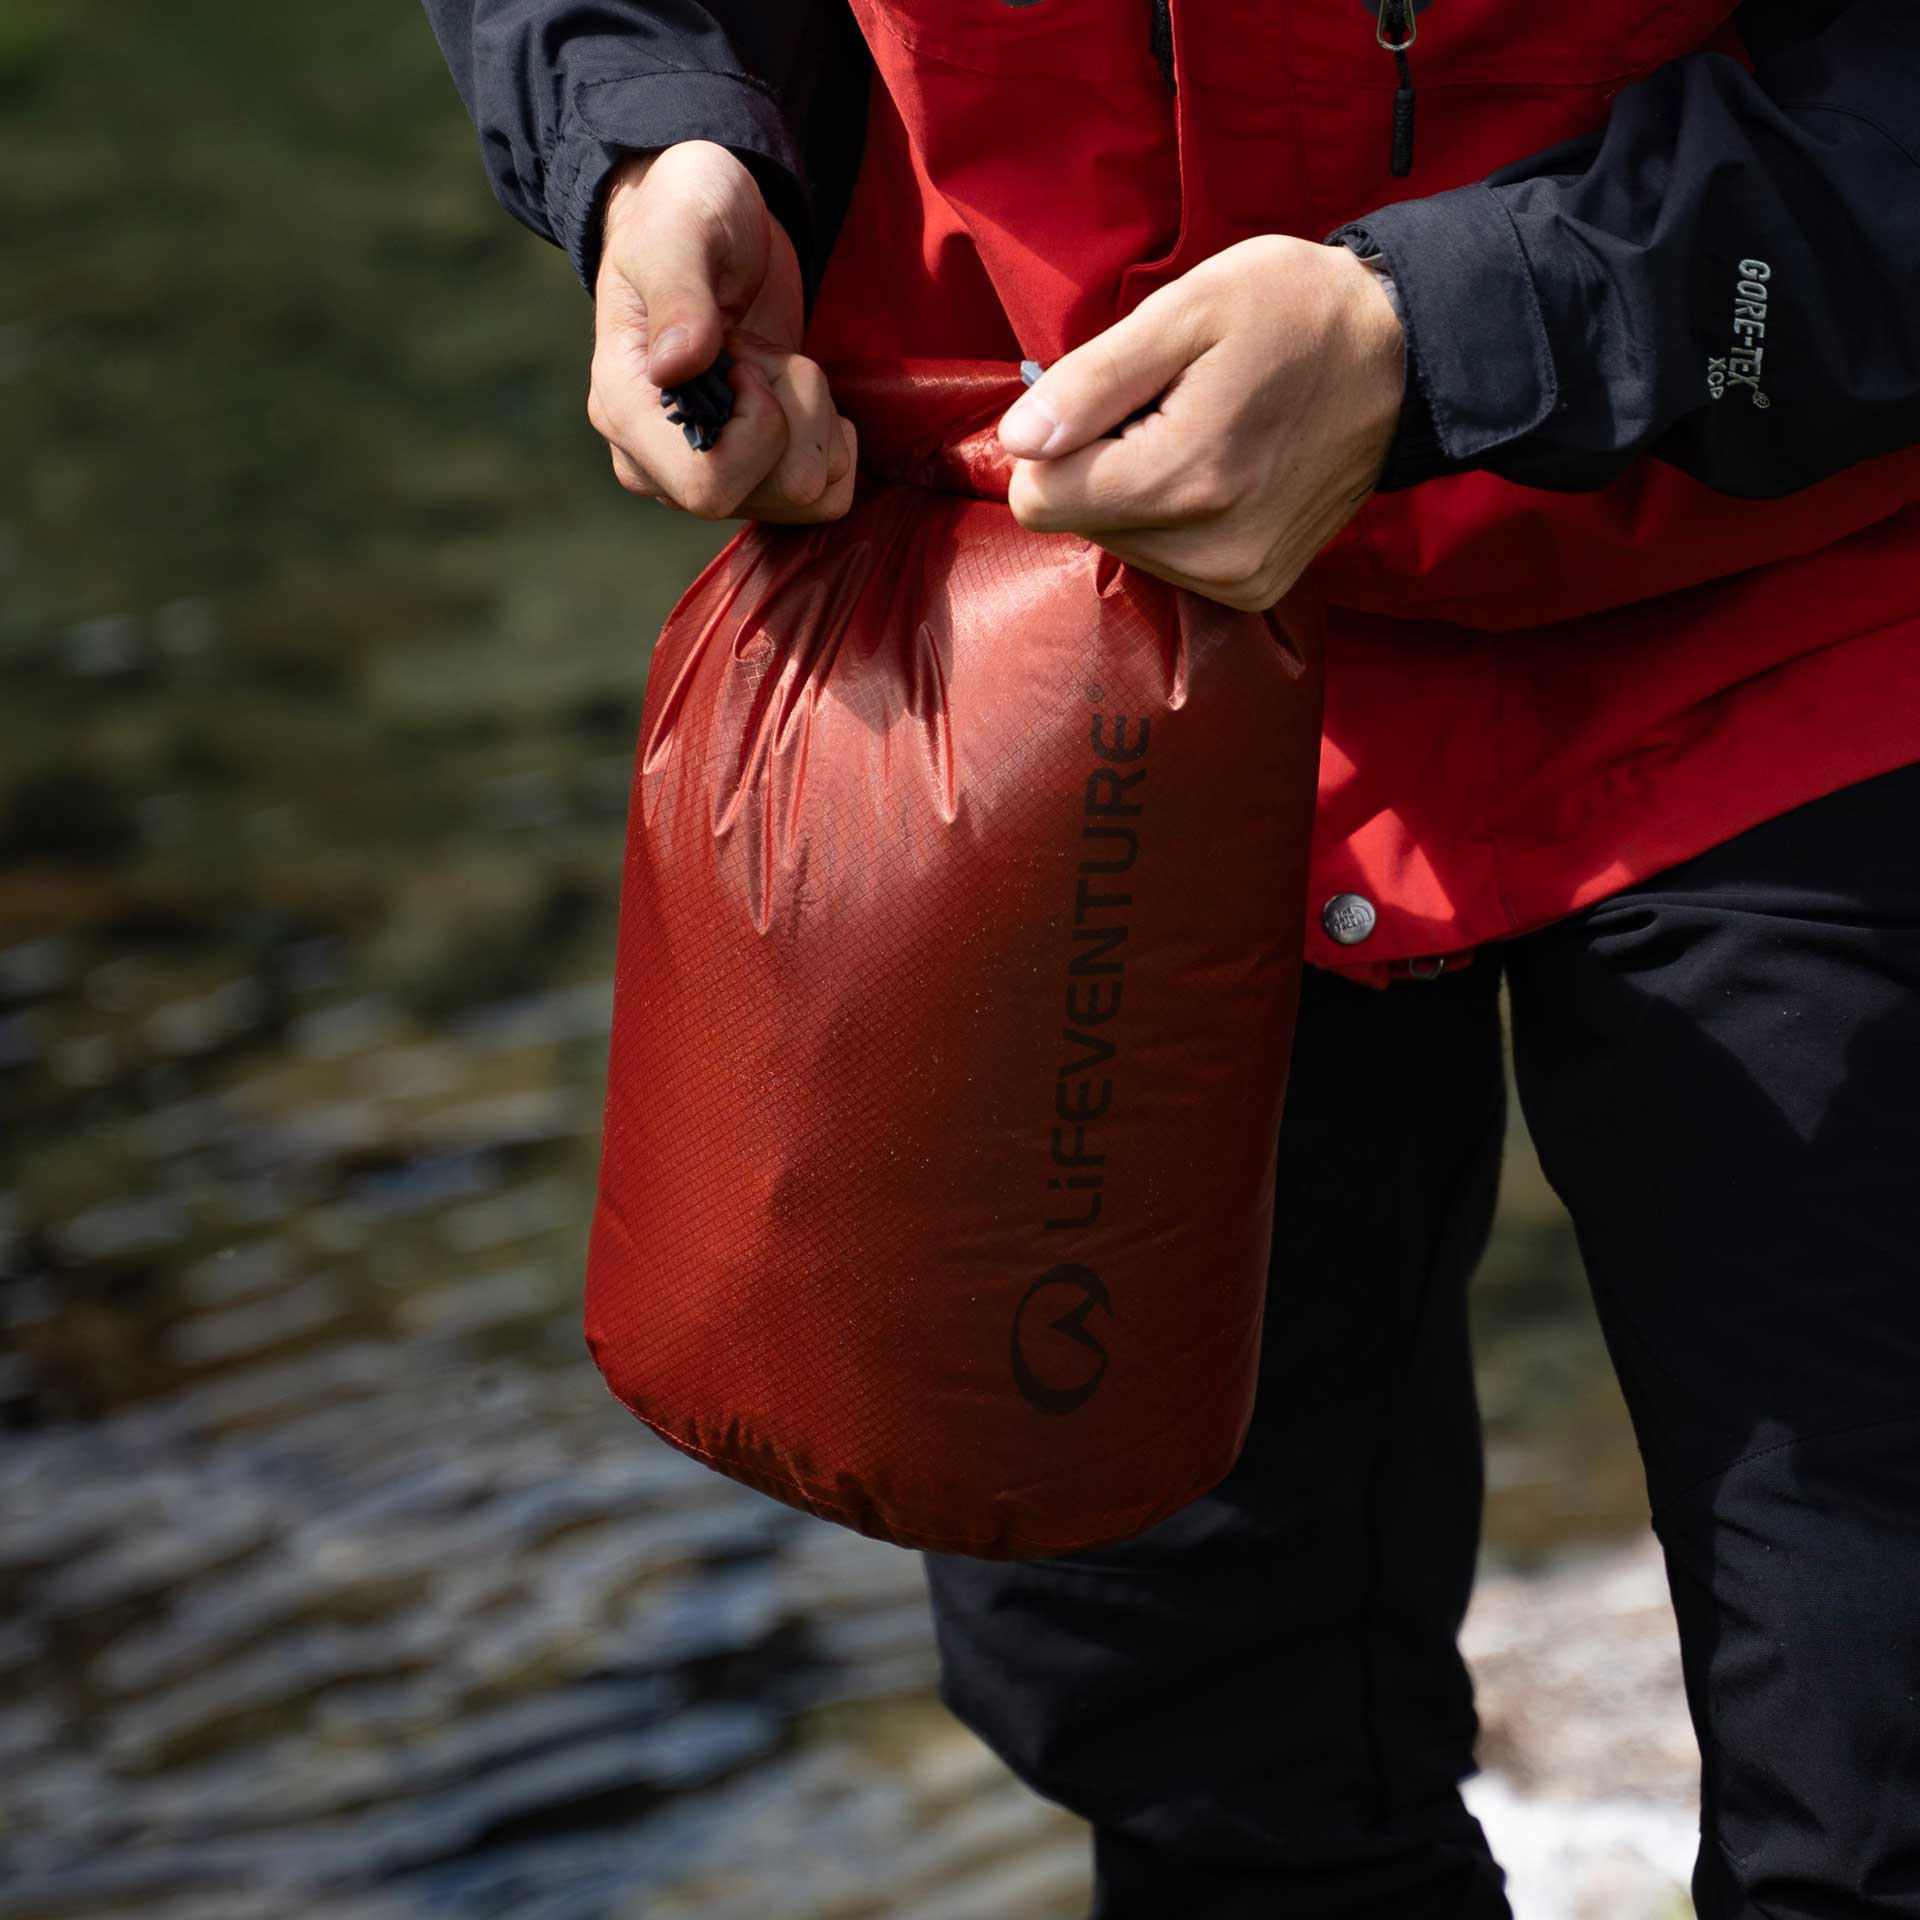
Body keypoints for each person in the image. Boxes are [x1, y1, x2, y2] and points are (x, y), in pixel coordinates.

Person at [423, 3, 1920, 1913]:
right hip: (1039, 638)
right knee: (1179, 1718)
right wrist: (656, 137)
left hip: (1820, 590)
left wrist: (1459, 319)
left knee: (1880, 1763)